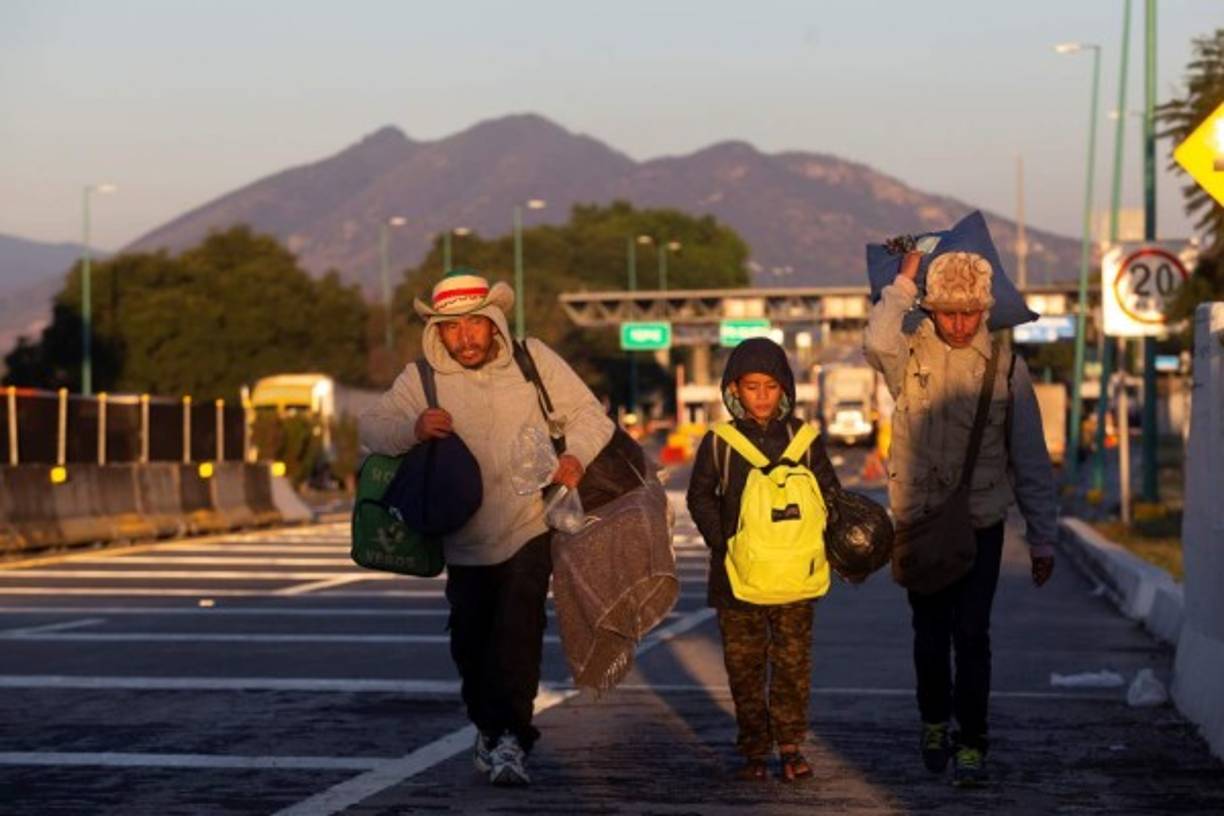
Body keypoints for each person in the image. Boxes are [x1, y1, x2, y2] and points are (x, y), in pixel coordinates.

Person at [360, 268, 614, 787]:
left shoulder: (532, 360)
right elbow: (370, 429)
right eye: (451, 328)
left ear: (493, 321)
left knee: (519, 633)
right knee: (473, 644)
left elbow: (591, 416)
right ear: (437, 331)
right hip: (462, 538)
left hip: (528, 525)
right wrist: (413, 428)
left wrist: (574, 459)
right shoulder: (421, 378)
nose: (464, 337)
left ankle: (512, 739)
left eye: (473, 324)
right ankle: (488, 726)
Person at [863, 250, 1058, 787]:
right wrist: (903, 281)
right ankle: (933, 719)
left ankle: (972, 739)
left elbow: (1031, 460)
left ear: (985, 311)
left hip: (981, 523)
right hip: (920, 521)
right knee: (929, 634)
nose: (958, 323)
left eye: (969, 313)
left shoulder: (1006, 369)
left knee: (972, 634)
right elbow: (876, 341)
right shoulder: (907, 358)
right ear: (930, 308)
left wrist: (1043, 539)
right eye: (947, 312)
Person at [686, 337, 841, 782]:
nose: (760, 396)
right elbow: (700, 497)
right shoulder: (720, 443)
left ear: (785, 388)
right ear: (733, 389)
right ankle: (754, 748)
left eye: (770, 386)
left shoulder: (805, 440)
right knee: (744, 667)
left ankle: (790, 746)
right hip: (736, 577)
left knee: (793, 664)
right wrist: (725, 543)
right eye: (751, 387)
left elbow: (830, 496)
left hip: (795, 575)